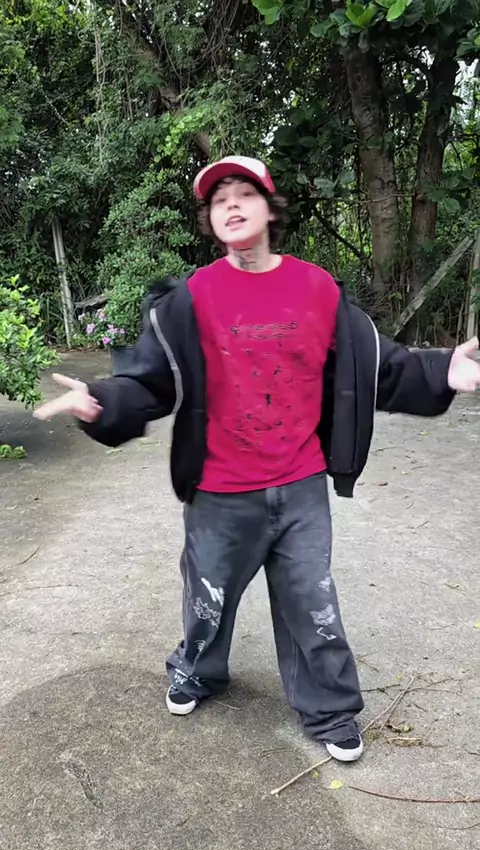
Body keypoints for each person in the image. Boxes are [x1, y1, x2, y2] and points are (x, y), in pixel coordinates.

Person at [35, 155, 480, 763]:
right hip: (219, 490)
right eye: (219, 200)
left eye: (244, 194)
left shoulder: (317, 289)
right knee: (208, 598)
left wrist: (441, 370)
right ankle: (196, 670)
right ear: (211, 219)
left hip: (300, 484)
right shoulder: (189, 299)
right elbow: (150, 382)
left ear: (270, 210)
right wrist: (101, 403)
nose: (232, 206)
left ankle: (330, 709)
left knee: (311, 600)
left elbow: (375, 363)